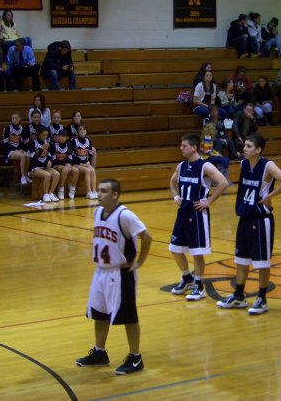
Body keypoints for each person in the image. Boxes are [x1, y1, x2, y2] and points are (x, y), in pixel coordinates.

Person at [75, 178, 152, 376]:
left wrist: (140, 262)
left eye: (103, 191)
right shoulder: (98, 211)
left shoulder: (125, 215)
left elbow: (147, 236)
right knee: (99, 314)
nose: (99, 194)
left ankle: (135, 358)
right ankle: (100, 353)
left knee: (128, 316)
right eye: (98, 191)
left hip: (121, 272)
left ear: (115, 194)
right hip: (100, 271)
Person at [216, 132, 281, 315]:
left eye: (249, 146)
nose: (245, 149)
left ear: (258, 150)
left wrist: (269, 197)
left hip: (261, 220)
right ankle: (238, 296)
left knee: (262, 262)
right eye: (245, 146)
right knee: (241, 260)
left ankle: (262, 298)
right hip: (245, 216)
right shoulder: (244, 163)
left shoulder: (267, 165)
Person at [168, 134, 229, 301]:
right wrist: (175, 196)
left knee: (197, 252)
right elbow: (173, 182)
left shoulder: (205, 166)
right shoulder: (181, 166)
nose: (181, 148)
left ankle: (199, 285)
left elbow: (223, 182)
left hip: (197, 213)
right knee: (175, 249)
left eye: (184, 145)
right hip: (183, 212)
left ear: (193, 148)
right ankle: (186, 278)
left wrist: (208, 201)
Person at [28, 126, 60, 203]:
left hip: (45, 167)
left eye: (46, 135)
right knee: (47, 175)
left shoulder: (48, 143)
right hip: (35, 168)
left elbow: (50, 156)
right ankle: (45, 194)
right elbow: (32, 157)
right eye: (43, 135)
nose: (45, 137)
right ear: (38, 135)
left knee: (57, 174)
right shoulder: (32, 143)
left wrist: (49, 161)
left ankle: (51, 193)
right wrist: (42, 149)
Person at [2, 112, 32, 185]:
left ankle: (26, 174)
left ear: (19, 119)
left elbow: (23, 142)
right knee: (23, 156)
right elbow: (5, 143)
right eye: (13, 118)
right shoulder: (8, 128)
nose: (14, 120)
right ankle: (22, 176)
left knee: (28, 155)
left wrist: (21, 149)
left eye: (16, 118)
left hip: (18, 150)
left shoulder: (22, 128)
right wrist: (16, 150)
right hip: (9, 151)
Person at [72, 124, 98, 199]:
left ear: (86, 131)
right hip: (76, 164)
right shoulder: (74, 141)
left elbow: (90, 154)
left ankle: (93, 190)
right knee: (87, 170)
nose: (82, 131)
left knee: (92, 170)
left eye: (84, 129)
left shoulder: (88, 141)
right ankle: (88, 192)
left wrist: (88, 162)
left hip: (84, 163)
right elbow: (72, 156)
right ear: (77, 132)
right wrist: (81, 164)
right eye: (80, 129)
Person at [52, 129, 79, 200]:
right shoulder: (54, 145)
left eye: (63, 136)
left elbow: (70, 157)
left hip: (65, 165)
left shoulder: (69, 145)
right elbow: (52, 159)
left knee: (76, 170)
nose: (60, 137)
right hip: (55, 165)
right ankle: (61, 187)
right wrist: (63, 165)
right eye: (59, 136)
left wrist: (69, 164)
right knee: (65, 169)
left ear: (66, 137)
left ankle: (72, 187)